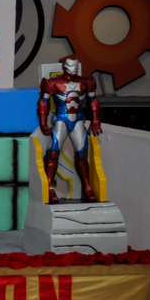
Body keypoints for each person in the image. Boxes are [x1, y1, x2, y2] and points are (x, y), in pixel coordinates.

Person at [38, 55, 102, 203]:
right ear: (64, 67)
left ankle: (86, 187)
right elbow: (43, 102)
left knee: (82, 154)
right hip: (61, 119)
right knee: (52, 152)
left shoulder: (87, 81)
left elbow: (93, 99)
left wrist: (95, 119)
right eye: (70, 67)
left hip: (78, 119)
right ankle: (49, 187)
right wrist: (43, 122)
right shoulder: (52, 83)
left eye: (75, 66)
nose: (73, 70)